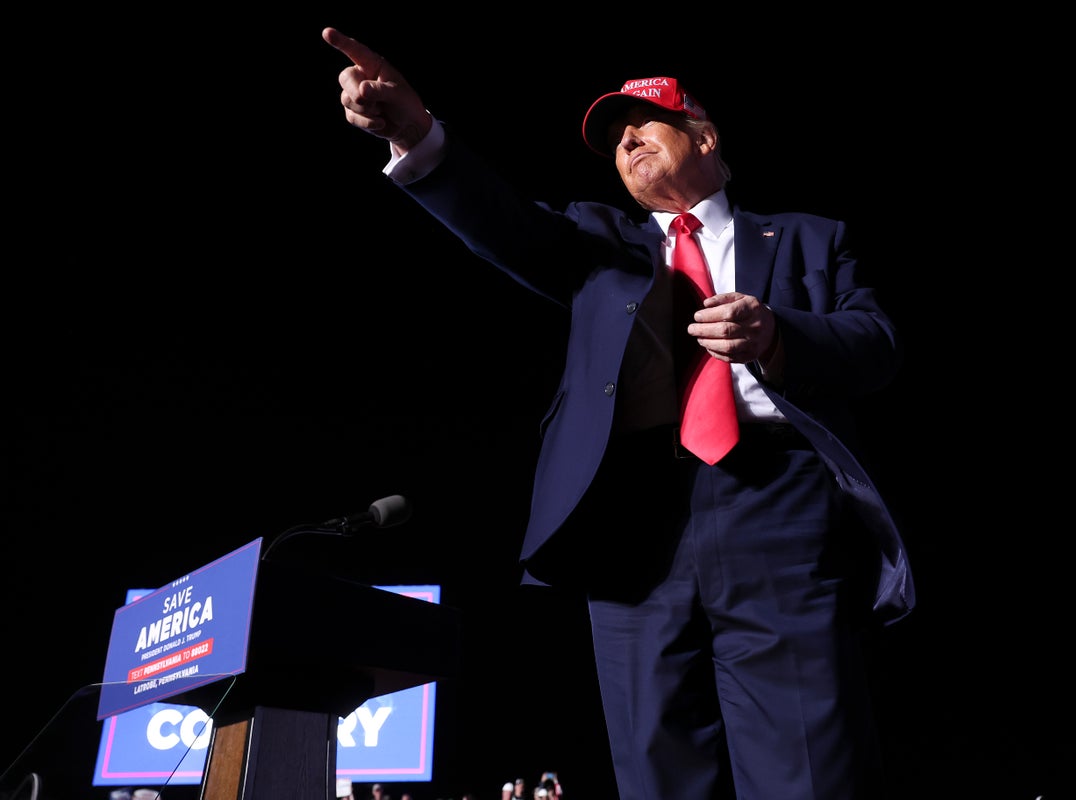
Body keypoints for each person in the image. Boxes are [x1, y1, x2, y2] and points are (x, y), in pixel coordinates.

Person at [323, 27, 915, 800]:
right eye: (614, 139)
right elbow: (505, 222)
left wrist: (775, 332)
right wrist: (413, 131)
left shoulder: (811, 240)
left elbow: (876, 346)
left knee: (806, 763)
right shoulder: (600, 244)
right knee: (656, 765)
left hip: (779, 506)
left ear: (703, 136)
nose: (626, 140)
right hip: (631, 519)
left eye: (646, 123)